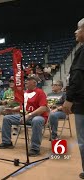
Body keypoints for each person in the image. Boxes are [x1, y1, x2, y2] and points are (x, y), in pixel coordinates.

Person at [0, 76, 49, 157]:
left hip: (38, 117)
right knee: (7, 118)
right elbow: (22, 107)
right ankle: (7, 142)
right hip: (25, 116)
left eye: (28, 81)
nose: (26, 83)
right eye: (25, 81)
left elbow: (43, 108)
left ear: (34, 83)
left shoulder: (40, 92)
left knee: (36, 120)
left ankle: (35, 148)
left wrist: (29, 115)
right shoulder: (25, 93)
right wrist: (12, 110)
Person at [62, 17, 84, 179]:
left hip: (82, 103)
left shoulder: (82, 51)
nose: (75, 32)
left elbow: (77, 76)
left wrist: (69, 99)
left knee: (82, 140)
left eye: (79, 28)